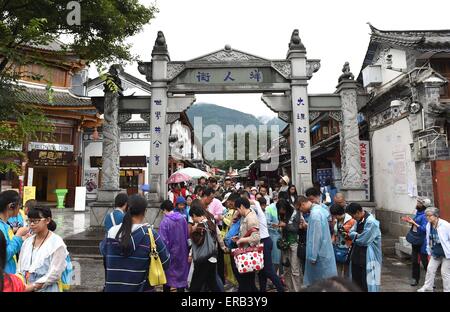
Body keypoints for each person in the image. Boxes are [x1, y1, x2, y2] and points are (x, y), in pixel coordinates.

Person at [101, 194, 170, 292]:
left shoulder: (111, 233)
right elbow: (166, 262)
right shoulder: (150, 234)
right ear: (145, 211)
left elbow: (104, 253)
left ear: (127, 208)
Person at [18, 206, 69, 292]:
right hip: (25, 286)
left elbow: (55, 273)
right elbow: (19, 267)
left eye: (35, 221)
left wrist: (33, 286)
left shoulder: (57, 243)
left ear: (47, 220)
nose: (32, 224)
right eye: (29, 221)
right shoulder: (27, 242)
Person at [298, 195, 337, 287]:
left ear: (302, 204)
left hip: (319, 254)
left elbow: (316, 237)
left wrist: (313, 256)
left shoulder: (315, 215)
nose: (300, 211)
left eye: (299, 208)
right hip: (324, 251)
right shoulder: (320, 210)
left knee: (320, 284)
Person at [347, 202, 382, 292]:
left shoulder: (371, 222)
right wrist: (357, 235)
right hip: (357, 256)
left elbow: (364, 240)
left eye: (353, 215)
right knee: (356, 283)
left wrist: (355, 236)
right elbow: (351, 233)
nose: (352, 218)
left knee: (368, 284)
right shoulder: (358, 220)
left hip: (368, 257)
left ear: (358, 212)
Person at [189, 201, 221, 292]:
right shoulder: (210, 222)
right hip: (213, 257)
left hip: (203, 259)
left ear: (195, 215)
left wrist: (193, 231)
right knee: (212, 283)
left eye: (192, 217)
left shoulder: (200, 226)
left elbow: (198, 241)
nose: (192, 219)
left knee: (195, 286)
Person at [159, 200, 189, 292]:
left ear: (164, 209)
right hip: (183, 252)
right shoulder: (182, 218)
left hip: (170, 254)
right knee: (181, 277)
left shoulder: (165, 222)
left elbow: (163, 241)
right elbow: (186, 234)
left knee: (168, 278)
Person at [417, 207, 450, 292]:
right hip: (436, 251)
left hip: (447, 253)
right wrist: (429, 250)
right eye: (426, 216)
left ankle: (447, 290)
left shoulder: (445, 225)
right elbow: (429, 238)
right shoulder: (429, 225)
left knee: (444, 272)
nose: (427, 217)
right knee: (430, 269)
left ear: (436, 216)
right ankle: (428, 287)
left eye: (429, 216)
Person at [256, 197, 284, 292]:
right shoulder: (259, 213)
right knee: (262, 272)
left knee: (268, 270)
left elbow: (255, 203)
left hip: (265, 242)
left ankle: (281, 289)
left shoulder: (260, 213)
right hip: (263, 242)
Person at [232, 197, 260, 292]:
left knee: (246, 283)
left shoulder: (251, 218)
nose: (238, 212)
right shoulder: (246, 216)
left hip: (248, 254)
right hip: (246, 253)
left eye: (238, 209)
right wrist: (239, 238)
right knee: (249, 283)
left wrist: (241, 240)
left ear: (242, 207)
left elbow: (256, 238)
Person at [401, 197, 430, 286]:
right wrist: (410, 221)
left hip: (422, 243)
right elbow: (415, 224)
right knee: (415, 261)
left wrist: (413, 222)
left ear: (423, 206)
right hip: (416, 241)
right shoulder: (418, 213)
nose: (417, 204)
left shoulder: (425, 216)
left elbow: (424, 229)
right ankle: (415, 279)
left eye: (419, 203)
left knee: (426, 263)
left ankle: (430, 282)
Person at [0, 190, 29, 274]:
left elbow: (8, 244)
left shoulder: (5, 224)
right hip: (4, 277)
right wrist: (18, 235)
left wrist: (21, 238)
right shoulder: (1, 227)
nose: (20, 210)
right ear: (11, 206)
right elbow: (3, 255)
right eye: (19, 206)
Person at [278, 198, 301, 292]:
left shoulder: (295, 213)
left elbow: (296, 229)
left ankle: (297, 290)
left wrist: (285, 225)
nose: (280, 211)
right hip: (285, 244)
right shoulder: (282, 215)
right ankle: (288, 288)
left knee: (295, 269)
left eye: (281, 209)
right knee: (286, 268)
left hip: (294, 243)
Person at [330, 204, 356, 277]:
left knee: (347, 271)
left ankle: (347, 286)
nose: (334, 217)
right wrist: (331, 243)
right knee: (337, 269)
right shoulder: (336, 220)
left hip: (348, 248)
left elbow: (353, 236)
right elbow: (334, 234)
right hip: (337, 247)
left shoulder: (351, 220)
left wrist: (343, 232)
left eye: (335, 215)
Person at [264, 192, 282, 277]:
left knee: (283, 258)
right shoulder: (270, 208)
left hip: (283, 236)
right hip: (274, 236)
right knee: (275, 258)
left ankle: (281, 277)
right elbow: (267, 222)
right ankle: (273, 277)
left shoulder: (285, 206)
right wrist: (275, 226)